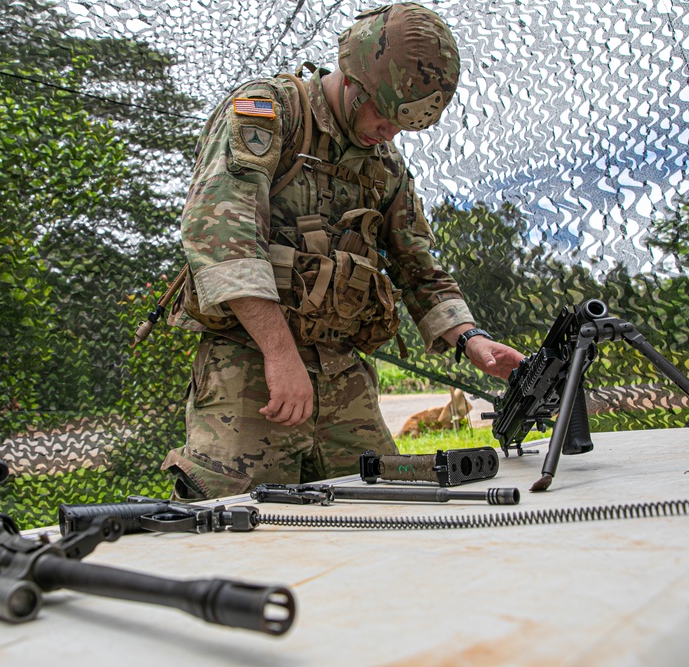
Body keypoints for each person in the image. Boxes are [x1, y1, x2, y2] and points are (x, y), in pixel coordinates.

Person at [160, 2, 525, 500]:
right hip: (250, 367)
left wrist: (471, 339)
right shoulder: (271, 115)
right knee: (235, 523)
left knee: (386, 512)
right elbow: (219, 234)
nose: (389, 133)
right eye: (384, 114)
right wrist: (280, 354)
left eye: (404, 125)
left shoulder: (384, 164)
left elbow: (417, 264)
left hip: (342, 372)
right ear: (352, 79)